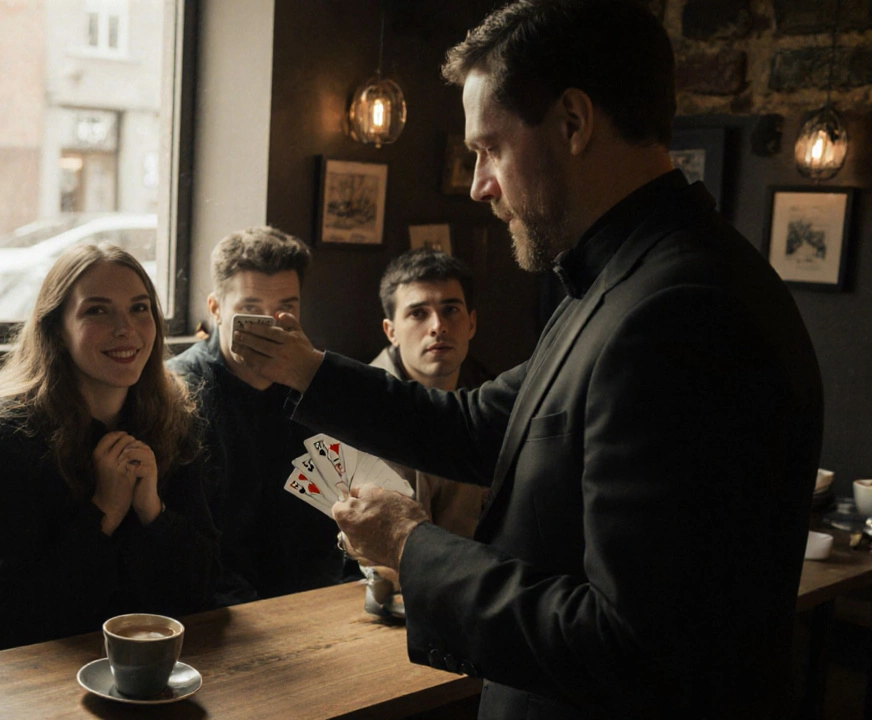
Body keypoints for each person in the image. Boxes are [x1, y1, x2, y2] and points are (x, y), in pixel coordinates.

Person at [230, 1, 824, 717]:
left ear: (573, 122)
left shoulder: (681, 312)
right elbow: (480, 426)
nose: (480, 183)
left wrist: (411, 547)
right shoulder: (618, 280)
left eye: (489, 148)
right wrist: (304, 366)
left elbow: (628, 641)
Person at [0, 244, 218, 655]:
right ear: (56, 329)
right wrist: (103, 512)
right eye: (97, 310)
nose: (126, 328)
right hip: (21, 678)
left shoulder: (174, 418)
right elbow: (4, 619)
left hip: (142, 665)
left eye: (140, 308)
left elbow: (204, 592)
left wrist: (152, 512)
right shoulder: (4, 434)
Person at [168, 227, 348, 605]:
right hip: (210, 608)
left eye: (286, 309)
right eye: (250, 310)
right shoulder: (178, 393)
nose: (271, 324)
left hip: (310, 600)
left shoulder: (315, 387)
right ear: (215, 309)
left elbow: (323, 530)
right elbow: (182, 541)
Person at [373, 248, 489, 538]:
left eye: (450, 310)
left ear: (472, 323)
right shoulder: (361, 406)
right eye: (418, 313)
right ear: (391, 332)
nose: (438, 327)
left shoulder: (493, 397)